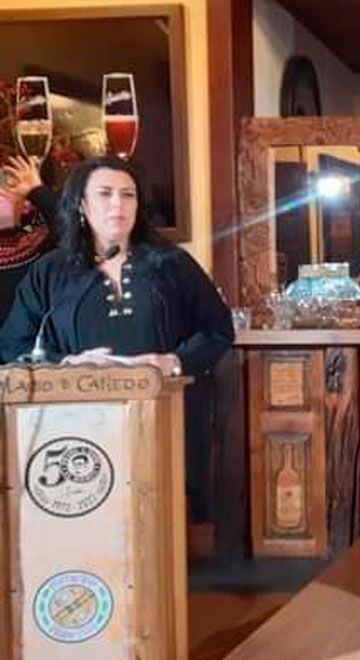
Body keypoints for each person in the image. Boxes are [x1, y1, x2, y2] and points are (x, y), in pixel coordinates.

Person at [0, 155, 234, 518]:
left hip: (164, 421)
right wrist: (66, 365)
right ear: (81, 204)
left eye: (128, 195)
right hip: (77, 433)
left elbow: (218, 328)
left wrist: (174, 361)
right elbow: (13, 344)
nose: (117, 204)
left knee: (161, 523)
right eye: (105, 193)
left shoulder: (172, 264)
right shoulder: (51, 272)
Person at [0, 155, 58, 317]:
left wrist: (38, 192)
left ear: (27, 205)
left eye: (6, 184)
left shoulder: (41, 248)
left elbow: (79, 230)